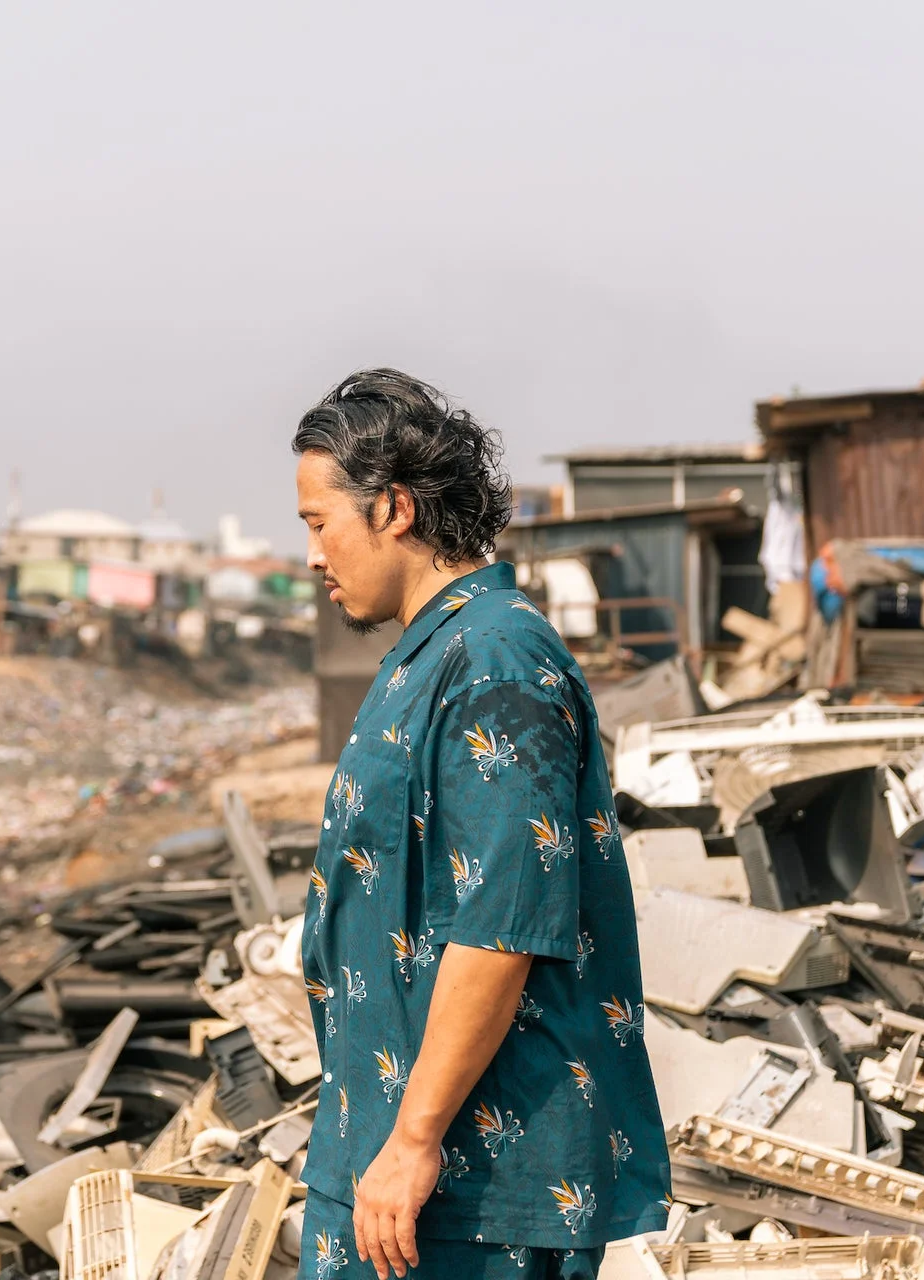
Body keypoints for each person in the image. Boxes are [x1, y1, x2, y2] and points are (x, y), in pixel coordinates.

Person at [292, 370, 668, 1280]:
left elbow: (502, 925)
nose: (312, 555)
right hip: (392, 1158)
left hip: (466, 1183)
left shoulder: (496, 656)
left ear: (392, 509)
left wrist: (415, 1141)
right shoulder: (433, 650)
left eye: (318, 523)